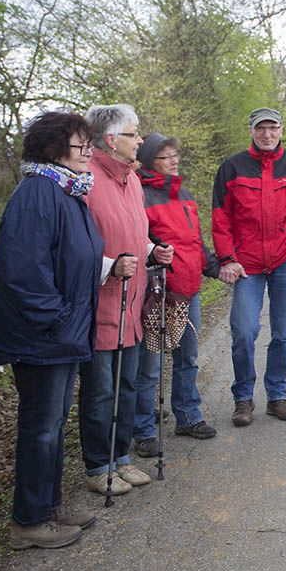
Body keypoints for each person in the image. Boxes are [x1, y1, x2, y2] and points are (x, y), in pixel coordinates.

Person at [0, 111, 103, 549]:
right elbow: (22, 272)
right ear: (55, 149)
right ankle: (30, 520)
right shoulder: (38, 193)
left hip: (62, 332)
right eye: (81, 145)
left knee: (52, 425)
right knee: (40, 426)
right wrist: (57, 318)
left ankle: (48, 508)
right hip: (43, 338)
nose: (90, 151)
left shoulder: (66, 192)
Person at [212, 108, 286, 427]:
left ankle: (277, 394)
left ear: (281, 131)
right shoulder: (232, 167)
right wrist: (226, 258)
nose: (267, 134)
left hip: (285, 261)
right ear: (251, 131)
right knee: (244, 331)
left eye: (272, 128)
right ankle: (243, 397)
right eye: (260, 128)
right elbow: (221, 218)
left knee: (283, 334)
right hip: (246, 264)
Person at [80, 104, 174, 496]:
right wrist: (108, 267)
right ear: (111, 139)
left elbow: (134, 233)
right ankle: (98, 466)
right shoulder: (84, 179)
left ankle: (120, 460)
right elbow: (74, 244)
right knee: (101, 390)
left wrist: (152, 250)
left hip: (132, 303)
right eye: (134, 134)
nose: (140, 140)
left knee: (128, 385)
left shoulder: (131, 181)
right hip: (100, 304)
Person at [132, 133, 220, 458]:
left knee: (187, 358)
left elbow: (195, 243)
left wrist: (217, 268)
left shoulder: (183, 193)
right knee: (150, 363)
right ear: (149, 161)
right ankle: (142, 428)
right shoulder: (138, 194)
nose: (174, 160)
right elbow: (139, 241)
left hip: (188, 290)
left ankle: (187, 415)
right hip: (156, 290)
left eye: (175, 155)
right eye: (165, 156)